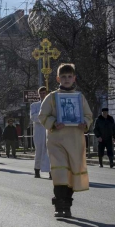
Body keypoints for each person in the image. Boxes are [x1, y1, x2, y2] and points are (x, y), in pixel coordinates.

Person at [39, 63, 92, 218]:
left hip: (75, 140)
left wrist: (85, 124)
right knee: (60, 173)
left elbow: (88, 116)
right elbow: (42, 116)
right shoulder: (52, 97)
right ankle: (59, 205)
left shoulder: (80, 97)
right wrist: (54, 123)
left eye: (69, 76)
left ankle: (67, 205)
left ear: (74, 78)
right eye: (63, 77)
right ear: (58, 78)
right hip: (57, 141)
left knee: (70, 175)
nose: (67, 79)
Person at [30, 86, 51, 178]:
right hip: (39, 131)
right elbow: (33, 117)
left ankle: (51, 171)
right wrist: (42, 117)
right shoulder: (34, 105)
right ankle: (37, 170)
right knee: (39, 150)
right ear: (39, 94)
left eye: (44, 93)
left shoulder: (51, 104)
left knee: (49, 151)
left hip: (49, 129)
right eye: (41, 93)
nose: (43, 95)